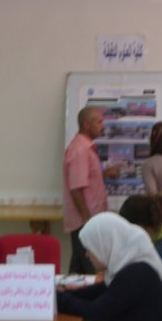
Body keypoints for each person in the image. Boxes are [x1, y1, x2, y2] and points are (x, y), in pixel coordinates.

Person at [63, 106, 119, 274]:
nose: (103, 126)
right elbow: (76, 188)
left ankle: (70, 290)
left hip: (89, 221)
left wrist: (103, 174)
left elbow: (84, 179)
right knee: (89, 269)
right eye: (99, 122)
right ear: (87, 125)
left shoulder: (85, 148)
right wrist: (87, 220)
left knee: (79, 269)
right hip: (85, 222)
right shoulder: (80, 150)